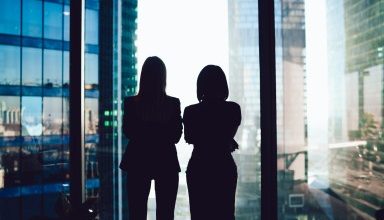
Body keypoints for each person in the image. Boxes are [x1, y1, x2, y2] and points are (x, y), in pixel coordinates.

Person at [119, 56, 182, 220]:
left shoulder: (131, 103)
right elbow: (175, 135)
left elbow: (129, 131)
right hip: (166, 161)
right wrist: (160, 130)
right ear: (164, 77)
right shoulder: (173, 104)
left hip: (138, 161)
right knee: (166, 214)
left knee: (137, 213)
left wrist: (146, 130)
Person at [183, 65, 241, 220]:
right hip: (224, 165)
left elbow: (189, 138)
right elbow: (227, 135)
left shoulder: (190, 112)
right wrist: (225, 140)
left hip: (199, 166)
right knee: (226, 213)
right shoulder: (233, 109)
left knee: (199, 214)